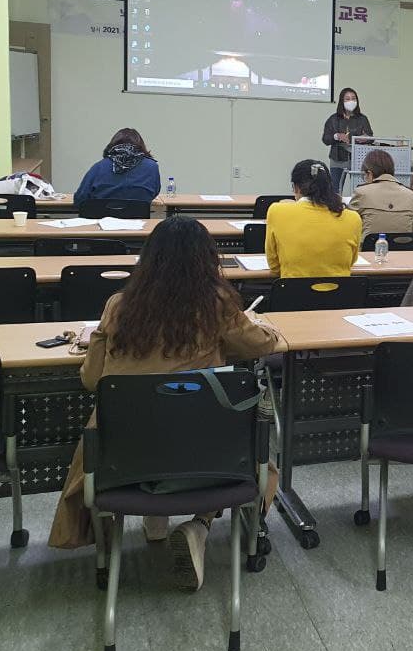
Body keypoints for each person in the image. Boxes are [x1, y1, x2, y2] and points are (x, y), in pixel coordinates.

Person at [48, 216, 280, 591]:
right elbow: (261, 345)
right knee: (255, 455)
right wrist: (253, 324)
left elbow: (92, 381)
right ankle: (198, 526)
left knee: (148, 421)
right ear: (207, 260)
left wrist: (99, 340)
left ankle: (152, 521)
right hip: (207, 460)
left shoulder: (119, 306)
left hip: (124, 461)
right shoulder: (216, 304)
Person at [265, 159, 362, 277]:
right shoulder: (353, 218)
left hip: (293, 293)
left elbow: (274, 266)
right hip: (340, 294)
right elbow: (351, 261)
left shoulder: (277, 211)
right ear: (329, 187)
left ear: (296, 188)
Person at [74, 128, 161, 205]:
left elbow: (80, 199)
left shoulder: (99, 167)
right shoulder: (152, 167)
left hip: (102, 221)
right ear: (141, 146)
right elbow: (154, 192)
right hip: (139, 221)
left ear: (113, 144)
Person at [349, 149, 413, 238]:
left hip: (369, 250)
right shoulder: (411, 195)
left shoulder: (361, 192)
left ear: (369, 174)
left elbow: (348, 226)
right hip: (402, 250)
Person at [321, 87, 373, 194]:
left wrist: (365, 139)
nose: (351, 101)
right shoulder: (334, 119)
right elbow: (325, 139)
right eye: (347, 99)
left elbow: (370, 137)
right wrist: (336, 136)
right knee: (335, 190)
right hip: (338, 158)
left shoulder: (362, 119)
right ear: (342, 101)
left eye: (353, 99)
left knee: (360, 190)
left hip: (358, 159)